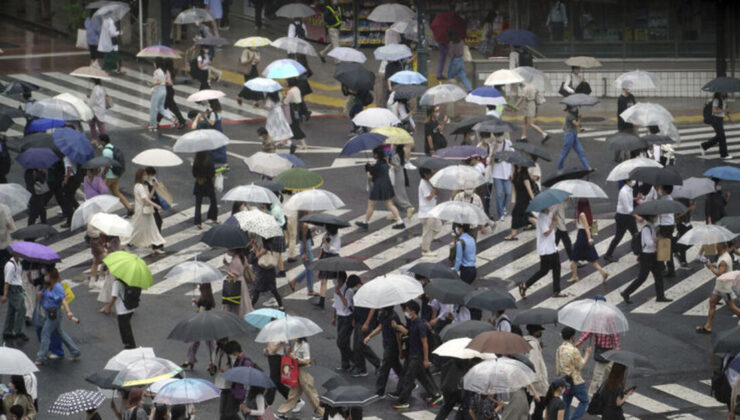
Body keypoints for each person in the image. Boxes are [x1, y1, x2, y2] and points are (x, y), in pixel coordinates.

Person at [389, 300, 443, 410]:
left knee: (409, 378)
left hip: (417, 356)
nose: (405, 312)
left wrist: (426, 359)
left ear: (413, 312)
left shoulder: (420, 325)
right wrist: (398, 327)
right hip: (412, 354)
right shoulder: (413, 323)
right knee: (422, 377)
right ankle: (436, 395)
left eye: (407, 310)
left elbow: (425, 343)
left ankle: (403, 401)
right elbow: (409, 333)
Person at [621, 214, 673, 304]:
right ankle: (626, 293)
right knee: (642, 277)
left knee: (658, 275)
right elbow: (649, 243)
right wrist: (657, 239)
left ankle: (660, 296)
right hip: (646, 256)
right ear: (651, 217)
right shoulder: (646, 229)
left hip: (653, 254)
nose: (657, 218)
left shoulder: (652, 226)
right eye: (655, 216)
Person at [34, 268, 80, 365]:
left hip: (54, 314)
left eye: (47, 275)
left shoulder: (57, 287)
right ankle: (75, 351)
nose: (45, 276)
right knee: (60, 333)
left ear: (51, 276)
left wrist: (69, 312)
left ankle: (41, 357)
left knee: (45, 333)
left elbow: (63, 300)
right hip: (48, 313)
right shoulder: (47, 286)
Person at [355, 147, 405, 231]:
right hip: (386, 184)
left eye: (374, 154)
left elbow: (370, 177)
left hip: (379, 186)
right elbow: (379, 171)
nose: (373, 155)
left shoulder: (378, 164)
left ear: (377, 155)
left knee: (371, 204)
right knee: (389, 204)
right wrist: (372, 168)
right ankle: (400, 221)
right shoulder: (385, 162)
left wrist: (367, 169)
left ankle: (365, 223)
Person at [520, 207, 565, 299]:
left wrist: (553, 220)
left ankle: (556, 291)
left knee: (557, 268)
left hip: (552, 248)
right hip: (545, 250)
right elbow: (546, 233)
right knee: (544, 271)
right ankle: (525, 285)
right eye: (549, 207)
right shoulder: (542, 218)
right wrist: (553, 223)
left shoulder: (548, 215)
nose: (551, 208)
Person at [276, 337, 324, 419]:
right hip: (296, 370)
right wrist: (290, 352)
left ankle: (322, 413)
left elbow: (307, 360)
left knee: (310, 392)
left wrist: (295, 357)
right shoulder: (296, 344)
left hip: (305, 370)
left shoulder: (305, 345)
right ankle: (283, 412)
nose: (293, 337)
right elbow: (295, 356)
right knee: (294, 392)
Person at [122, 169, 165, 253]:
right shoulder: (139, 186)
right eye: (144, 175)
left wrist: (154, 188)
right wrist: (156, 205)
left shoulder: (143, 186)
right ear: (140, 176)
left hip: (147, 211)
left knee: (153, 228)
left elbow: (148, 197)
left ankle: (157, 246)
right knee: (136, 229)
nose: (146, 176)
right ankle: (125, 243)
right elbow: (145, 199)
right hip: (141, 212)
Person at [364, 306, 403, 398]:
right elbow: (380, 326)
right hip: (386, 344)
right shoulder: (382, 315)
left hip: (392, 346)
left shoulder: (393, 317)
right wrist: (369, 336)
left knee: (384, 367)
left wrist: (400, 350)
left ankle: (380, 391)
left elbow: (398, 335)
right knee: (396, 366)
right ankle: (408, 383)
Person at [696, 241, 734, 334]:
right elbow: (720, 266)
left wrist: (711, 267)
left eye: (717, 244)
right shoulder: (722, 256)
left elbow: (720, 274)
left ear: (721, 246)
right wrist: (712, 264)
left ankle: (708, 325)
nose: (715, 246)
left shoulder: (724, 259)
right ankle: (707, 326)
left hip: (725, 287)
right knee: (712, 302)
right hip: (719, 286)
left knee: (732, 307)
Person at [569, 199, 609, 283]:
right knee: (590, 258)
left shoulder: (582, 214)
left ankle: (575, 276)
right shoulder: (586, 213)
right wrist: (577, 222)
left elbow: (586, 227)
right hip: (584, 235)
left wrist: (589, 238)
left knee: (574, 257)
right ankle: (603, 272)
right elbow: (585, 226)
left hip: (582, 237)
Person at [556, 327, 591, 420]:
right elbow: (581, 365)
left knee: (566, 404)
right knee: (584, 401)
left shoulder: (560, 348)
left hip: (564, 381)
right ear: (572, 337)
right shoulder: (574, 350)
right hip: (575, 381)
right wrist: (587, 353)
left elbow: (557, 365)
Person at [349, 276, 380, 377]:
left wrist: (367, 323)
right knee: (356, 346)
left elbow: (373, 308)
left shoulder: (367, 292)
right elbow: (356, 307)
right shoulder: (356, 293)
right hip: (358, 321)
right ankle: (361, 368)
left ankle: (378, 363)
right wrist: (354, 319)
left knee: (361, 344)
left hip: (366, 322)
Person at [181, 283, 216, 370]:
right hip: (209, 321)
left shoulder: (204, 299)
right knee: (210, 344)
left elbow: (201, 312)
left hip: (201, 322)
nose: (199, 287)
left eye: (200, 285)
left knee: (194, 342)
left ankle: (190, 360)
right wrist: (196, 302)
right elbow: (203, 307)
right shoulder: (209, 297)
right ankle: (213, 362)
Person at [604, 179, 639, 263]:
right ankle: (639, 253)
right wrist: (637, 216)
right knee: (635, 235)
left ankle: (608, 254)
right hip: (624, 217)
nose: (634, 181)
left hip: (625, 216)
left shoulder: (629, 189)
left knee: (630, 235)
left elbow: (629, 200)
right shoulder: (623, 191)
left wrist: (637, 198)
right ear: (627, 181)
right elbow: (628, 208)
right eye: (632, 180)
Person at [100, 135, 133, 215]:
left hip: (109, 176)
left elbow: (107, 165)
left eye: (100, 141)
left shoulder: (106, 151)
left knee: (100, 194)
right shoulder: (112, 147)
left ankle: (101, 212)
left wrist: (103, 174)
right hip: (116, 174)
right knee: (116, 192)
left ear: (103, 141)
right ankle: (129, 208)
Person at [103, 275, 138, 349]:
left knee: (124, 329)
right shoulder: (129, 279)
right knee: (127, 327)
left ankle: (129, 346)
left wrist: (108, 307)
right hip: (131, 307)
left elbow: (114, 296)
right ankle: (130, 344)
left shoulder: (117, 283)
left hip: (122, 309)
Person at [251, 238, 284, 311]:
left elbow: (257, 256)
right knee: (274, 289)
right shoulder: (274, 245)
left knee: (257, 289)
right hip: (271, 270)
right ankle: (281, 306)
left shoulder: (265, 248)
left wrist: (256, 247)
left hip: (263, 271)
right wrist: (255, 245)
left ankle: (251, 306)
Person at [523, 325, 548, 420]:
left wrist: (540, 349)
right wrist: (537, 380)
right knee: (541, 403)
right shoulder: (533, 344)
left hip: (526, 379)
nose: (541, 332)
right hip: (535, 381)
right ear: (535, 332)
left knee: (527, 403)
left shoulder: (525, 340)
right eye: (540, 330)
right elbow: (533, 362)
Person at [505, 165, 535, 241]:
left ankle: (513, 234)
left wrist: (534, 200)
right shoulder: (516, 174)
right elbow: (516, 184)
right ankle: (542, 226)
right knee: (526, 215)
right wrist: (511, 180)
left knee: (516, 214)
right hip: (519, 198)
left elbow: (529, 189)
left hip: (524, 198)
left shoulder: (524, 175)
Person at [313, 225, 340, 309]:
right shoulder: (326, 235)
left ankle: (339, 298)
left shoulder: (337, 238)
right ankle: (321, 302)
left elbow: (335, 250)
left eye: (328, 230)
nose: (326, 231)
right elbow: (322, 247)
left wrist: (326, 243)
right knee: (323, 281)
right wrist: (319, 257)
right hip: (324, 257)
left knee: (335, 280)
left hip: (332, 258)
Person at [221, 248, 255, 316]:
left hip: (236, 283)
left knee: (236, 301)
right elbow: (238, 267)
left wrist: (225, 271)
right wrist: (227, 263)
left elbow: (234, 276)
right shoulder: (240, 258)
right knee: (243, 301)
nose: (229, 252)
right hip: (241, 282)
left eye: (230, 250)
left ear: (234, 251)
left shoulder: (235, 260)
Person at [289, 211, 315, 295]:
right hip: (305, 247)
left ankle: (295, 282)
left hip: (306, 245)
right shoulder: (304, 224)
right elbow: (304, 240)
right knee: (310, 268)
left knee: (310, 268)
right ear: (305, 212)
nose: (311, 210)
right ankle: (309, 290)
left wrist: (311, 230)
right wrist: (305, 253)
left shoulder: (302, 222)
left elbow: (306, 236)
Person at [331, 272, 354, 373]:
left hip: (347, 317)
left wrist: (340, 294)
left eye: (337, 279)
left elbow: (347, 304)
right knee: (345, 342)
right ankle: (345, 364)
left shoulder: (348, 291)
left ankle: (356, 360)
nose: (336, 281)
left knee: (340, 342)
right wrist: (333, 317)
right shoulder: (336, 289)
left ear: (342, 279)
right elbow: (335, 304)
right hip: (340, 317)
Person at [558, 106, 592, 171]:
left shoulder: (572, 114)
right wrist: (579, 118)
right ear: (570, 108)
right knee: (565, 152)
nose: (575, 108)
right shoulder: (570, 115)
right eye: (574, 107)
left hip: (574, 135)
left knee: (581, 151)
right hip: (569, 136)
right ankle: (559, 168)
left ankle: (588, 167)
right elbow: (576, 124)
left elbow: (565, 125)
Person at [488, 133, 513, 221]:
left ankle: (503, 207)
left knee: (508, 192)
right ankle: (501, 213)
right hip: (496, 173)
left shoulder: (508, 143)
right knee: (499, 194)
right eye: (498, 135)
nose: (500, 136)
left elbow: (512, 158)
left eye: (501, 134)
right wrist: (494, 150)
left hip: (507, 173)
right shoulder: (492, 145)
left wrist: (512, 172)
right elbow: (490, 161)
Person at [700, 92, 733, 160]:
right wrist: (723, 111)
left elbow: (726, 109)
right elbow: (714, 110)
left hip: (720, 119)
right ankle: (724, 154)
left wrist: (729, 117)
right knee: (722, 137)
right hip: (715, 119)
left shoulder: (723, 99)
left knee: (720, 136)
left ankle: (704, 145)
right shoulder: (716, 100)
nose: (724, 92)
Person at [148, 59, 177, 131]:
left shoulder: (157, 71)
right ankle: (172, 118)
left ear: (156, 64)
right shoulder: (163, 71)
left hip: (158, 90)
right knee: (161, 107)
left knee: (153, 108)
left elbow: (159, 81)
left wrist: (152, 85)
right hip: (164, 90)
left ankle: (153, 125)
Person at [2, 254, 26, 340]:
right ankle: (18, 331)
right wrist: (5, 295)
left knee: (11, 311)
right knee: (22, 309)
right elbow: (7, 282)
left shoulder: (18, 263)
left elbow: (18, 277)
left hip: (18, 288)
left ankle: (7, 331)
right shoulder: (10, 265)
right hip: (13, 289)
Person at [418, 168, 442, 257]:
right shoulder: (423, 183)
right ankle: (425, 250)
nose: (431, 175)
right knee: (428, 231)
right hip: (427, 213)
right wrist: (434, 190)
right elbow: (428, 197)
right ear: (424, 174)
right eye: (430, 174)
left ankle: (425, 242)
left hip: (432, 211)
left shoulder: (428, 181)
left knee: (438, 227)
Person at [192, 151, 218, 229]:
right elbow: (212, 174)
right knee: (213, 201)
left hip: (199, 184)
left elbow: (194, 174)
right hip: (208, 185)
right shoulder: (209, 162)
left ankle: (197, 222)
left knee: (198, 204)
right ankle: (213, 217)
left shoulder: (196, 162)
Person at [390, 144, 415, 220]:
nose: (391, 146)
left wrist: (389, 164)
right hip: (401, 175)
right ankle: (395, 213)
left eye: (393, 145)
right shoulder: (401, 153)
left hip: (396, 176)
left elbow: (395, 167)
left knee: (397, 194)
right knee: (399, 193)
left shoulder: (395, 155)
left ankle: (408, 207)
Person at [160, 59, 187, 128]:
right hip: (169, 91)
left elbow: (170, 83)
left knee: (164, 107)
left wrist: (162, 82)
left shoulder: (167, 71)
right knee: (167, 107)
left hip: (167, 91)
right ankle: (182, 121)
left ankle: (182, 121)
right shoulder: (171, 70)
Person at [284, 78, 307, 153]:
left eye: (287, 82)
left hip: (293, 109)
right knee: (292, 125)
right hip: (298, 109)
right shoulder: (297, 89)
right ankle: (285, 140)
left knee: (294, 125)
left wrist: (286, 95)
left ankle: (303, 144)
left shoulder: (290, 91)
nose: (286, 83)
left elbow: (286, 102)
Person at [0, 203, 14, 300]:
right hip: (5, 241)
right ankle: (12, 284)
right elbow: (10, 224)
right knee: (11, 263)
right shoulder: (4, 208)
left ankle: (2, 287)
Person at [87, 78, 107, 142]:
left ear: (93, 80)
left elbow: (93, 101)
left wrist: (88, 99)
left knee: (92, 125)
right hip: (101, 109)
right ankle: (104, 140)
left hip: (95, 110)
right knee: (101, 125)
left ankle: (94, 139)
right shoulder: (102, 88)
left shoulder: (96, 89)